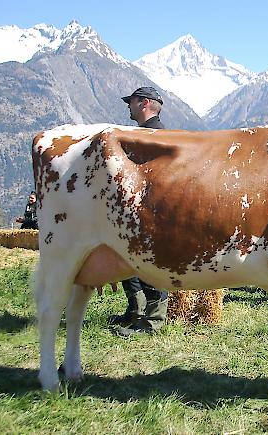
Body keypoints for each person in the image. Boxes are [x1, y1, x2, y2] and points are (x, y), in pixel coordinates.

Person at [107, 86, 169, 337]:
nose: (127, 106)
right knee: (129, 260)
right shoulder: (144, 133)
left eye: (130, 102)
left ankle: (153, 320)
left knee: (151, 262)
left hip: (152, 208)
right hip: (137, 207)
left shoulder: (158, 135)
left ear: (143, 103)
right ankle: (136, 311)